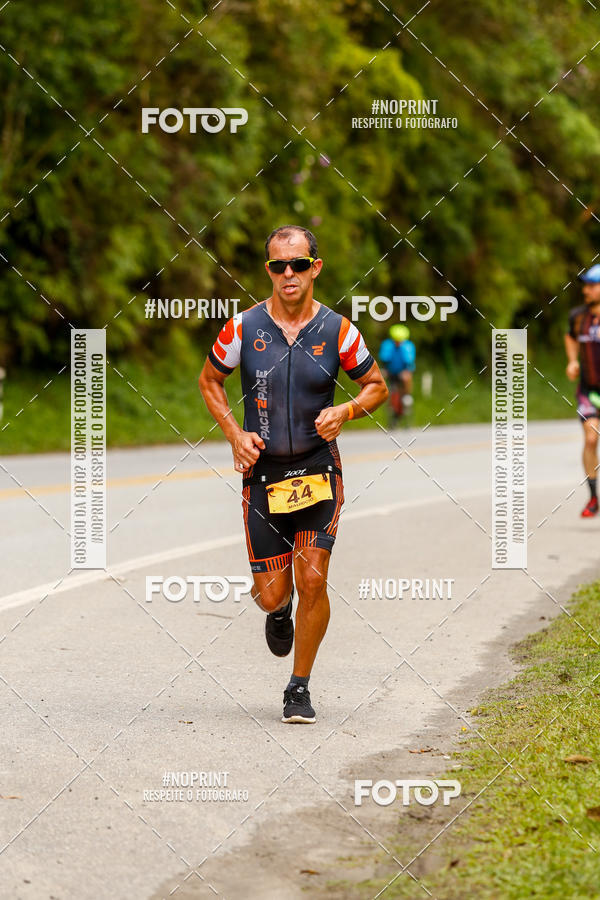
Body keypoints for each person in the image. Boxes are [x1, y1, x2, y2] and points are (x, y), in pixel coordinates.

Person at [199, 225, 388, 723]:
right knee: (272, 594)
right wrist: (235, 435)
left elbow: (376, 386)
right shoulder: (242, 328)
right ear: (268, 271)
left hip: (317, 469)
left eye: (298, 264)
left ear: (315, 268)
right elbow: (210, 381)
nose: (289, 274)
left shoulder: (338, 331)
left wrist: (345, 411)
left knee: (312, 579)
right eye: (279, 265)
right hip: (263, 476)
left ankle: (298, 686)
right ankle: (278, 613)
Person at [565, 263, 600, 517]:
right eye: (585, 285)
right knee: (590, 438)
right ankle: (593, 497)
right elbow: (570, 336)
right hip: (589, 390)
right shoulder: (578, 316)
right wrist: (572, 360)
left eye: (592, 285)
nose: (586, 290)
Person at [378, 324, 416, 425]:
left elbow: (409, 362)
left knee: (406, 377)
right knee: (382, 377)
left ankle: (407, 396)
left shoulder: (408, 346)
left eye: (400, 340)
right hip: (391, 372)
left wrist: (407, 371)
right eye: (396, 340)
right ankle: (389, 404)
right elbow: (384, 360)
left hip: (403, 371)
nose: (398, 342)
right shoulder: (387, 345)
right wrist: (384, 370)